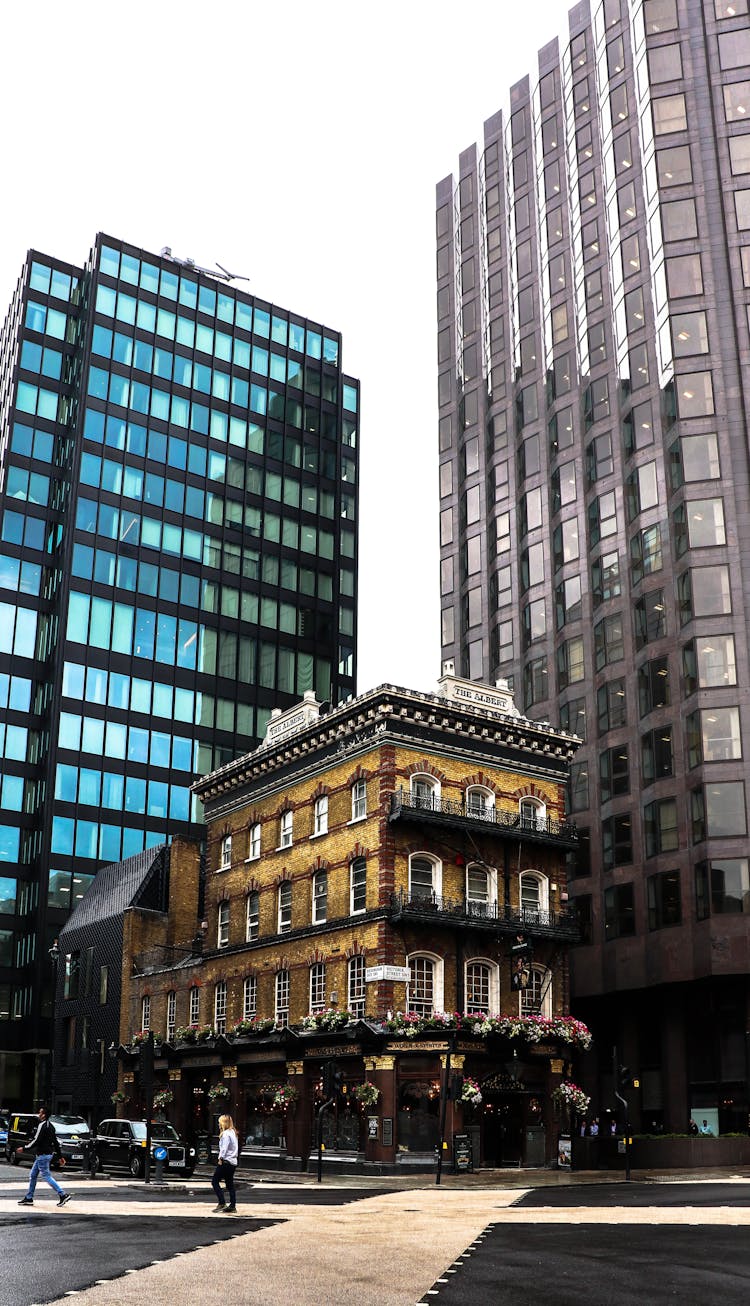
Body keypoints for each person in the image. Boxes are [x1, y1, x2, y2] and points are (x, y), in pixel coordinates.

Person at [17, 1107, 71, 1207]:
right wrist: (60, 1156)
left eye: (40, 1112)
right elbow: (55, 1142)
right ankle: (29, 1198)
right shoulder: (51, 1126)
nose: (39, 1114)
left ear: (44, 1115)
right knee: (33, 1175)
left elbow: (36, 1140)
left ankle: (63, 1194)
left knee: (46, 1176)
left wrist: (24, 1148)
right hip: (46, 1155)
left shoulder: (42, 1125)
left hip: (42, 1155)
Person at [211, 1113, 238, 1213]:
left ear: (223, 1123)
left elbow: (224, 1148)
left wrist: (220, 1158)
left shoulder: (226, 1134)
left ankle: (222, 1203)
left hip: (226, 1161)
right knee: (230, 1184)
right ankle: (232, 1205)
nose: (218, 1125)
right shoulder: (233, 1132)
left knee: (214, 1181)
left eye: (219, 1123)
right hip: (233, 1162)